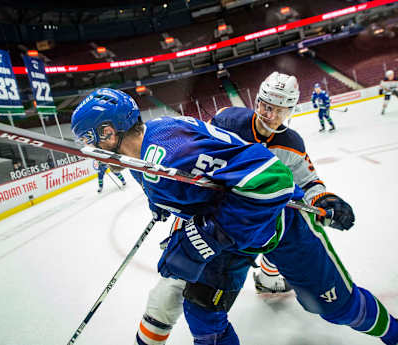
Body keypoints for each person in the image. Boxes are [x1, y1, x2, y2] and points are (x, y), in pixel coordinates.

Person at [71, 87, 398, 345]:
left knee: (336, 308)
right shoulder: (143, 155)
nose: (89, 151)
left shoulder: (172, 151)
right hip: (231, 234)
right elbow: (181, 187)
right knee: (202, 316)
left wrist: (212, 235)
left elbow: (274, 182)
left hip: (276, 223)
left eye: (88, 140)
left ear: (108, 133)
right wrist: (166, 207)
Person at [131, 72, 356, 345]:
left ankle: (270, 275)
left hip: (254, 221)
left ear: (291, 110)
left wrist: (323, 198)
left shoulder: (292, 144)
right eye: (264, 104)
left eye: (278, 109)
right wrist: (161, 193)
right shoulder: (229, 119)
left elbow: (308, 182)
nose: (268, 114)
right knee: (172, 287)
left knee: (277, 235)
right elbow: (193, 147)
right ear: (257, 100)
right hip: (210, 216)